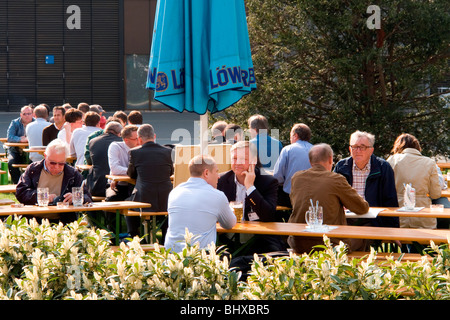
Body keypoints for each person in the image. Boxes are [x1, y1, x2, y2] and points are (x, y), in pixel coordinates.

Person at [288, 143, 369, 254]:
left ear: (310, 162)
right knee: (364, 235)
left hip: (298, 243)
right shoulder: (336, 179)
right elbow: (362, 208)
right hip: (330, 244)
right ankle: (351, 269)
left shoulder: (296, 178)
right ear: (331, 159)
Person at [217, 141, 286, 254]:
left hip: (258, 240)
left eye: (243, 159)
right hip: (227, 239)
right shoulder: (222, 180)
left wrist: (250, 187)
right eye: (234, 158)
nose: (237, 162)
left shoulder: (268, 181)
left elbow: (268, 215)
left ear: (254, 161)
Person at [164, 155, 237, 253]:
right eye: (216, 171)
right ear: (206, 173)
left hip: (171, 255)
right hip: (199, 258)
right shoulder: (217, 196)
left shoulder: (174, 192)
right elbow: (229, 224)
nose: (219, 176)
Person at [15, 139, 92, 224]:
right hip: (33, 219)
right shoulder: (33, 169)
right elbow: (20, 192)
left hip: (62, 221)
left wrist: (76, 197)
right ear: (45, 156)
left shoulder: (73, 174)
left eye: (61, 163)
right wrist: (42, 197)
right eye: (52, 163)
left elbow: (87, 197)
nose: (56, 167)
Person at [334, 130, 399, 229]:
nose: (358, 151)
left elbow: (390, 200)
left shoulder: (383, 167)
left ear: (371, 150)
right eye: (355, 147)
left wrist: (393, 229)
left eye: (362, 147)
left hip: (373, 220)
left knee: (353, 241)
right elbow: (333, 194)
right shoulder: (341, 166)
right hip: (345, 218)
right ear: (350, 149)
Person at [127, 124, 174, 238]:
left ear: (139, 139)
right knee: (166, 214)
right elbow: (171, 172)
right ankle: (165, 237)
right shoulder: (167, 151)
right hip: (166, 199)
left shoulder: (135, 153)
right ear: (154, 136)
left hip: (144, 200)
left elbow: (131, 174)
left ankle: (135, 237)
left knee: (127, 205)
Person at [387, 133, 441, 229]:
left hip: (397, 214)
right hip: (423, 215)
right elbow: (435, 194)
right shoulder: (429, 162)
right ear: (417, 147)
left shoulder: (392, 160)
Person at [273, 123, 313, 208]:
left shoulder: (287, 149)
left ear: (295, 135)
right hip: (312, 197)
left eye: (290, 136)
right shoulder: (316, 150)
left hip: (290, 197)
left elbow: (277, 176)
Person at [85, 121, 123, 197]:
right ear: (119, 133)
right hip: (115, 188)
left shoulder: (93, 141)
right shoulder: (121, 142)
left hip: (96, 186)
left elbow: (89, 161)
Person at [105, 125, 140, 201]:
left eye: (140, 138)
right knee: (111, 200)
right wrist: (133, 172)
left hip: (136, 185)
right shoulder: (116, 146)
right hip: (118, 185)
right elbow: (115, 169)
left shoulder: (141, 148)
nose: (139, 141)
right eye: (136, 139)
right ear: (126, 140)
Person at [6, 105, 35, 184]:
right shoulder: (15, 123)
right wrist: (20, 139)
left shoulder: (36, 123)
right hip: (16, 150)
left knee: (34, 164)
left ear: (32, 114)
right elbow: (9, 137)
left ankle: (29, 184)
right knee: (11, 163)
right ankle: (17, 184)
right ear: (21, 115)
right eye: (24, 114)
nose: (26, 116)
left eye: (29, 113)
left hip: (31, 151)